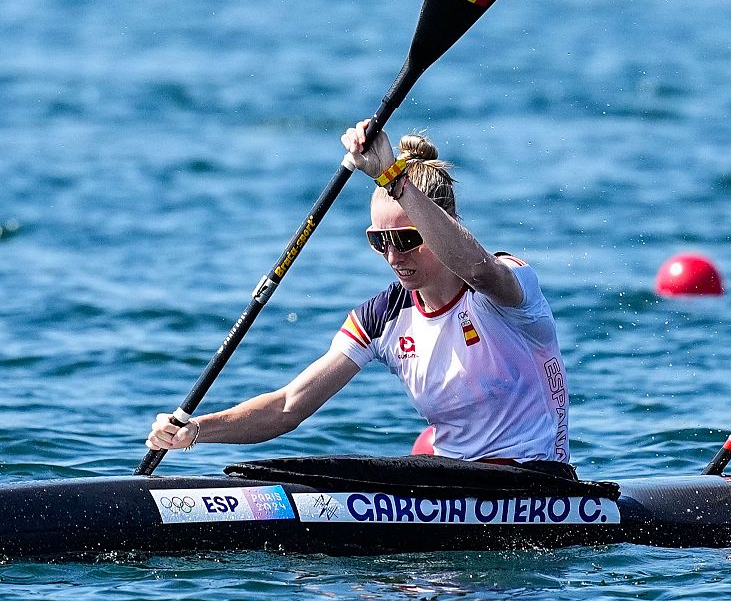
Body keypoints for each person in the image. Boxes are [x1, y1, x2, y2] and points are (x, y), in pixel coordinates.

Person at [148, 120, 575, 476]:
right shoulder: (384, 317)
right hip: (453, 484)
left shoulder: (507, 288)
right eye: (379, 241)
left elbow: (479, 268)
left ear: (446, 224)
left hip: (537, 480)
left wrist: (393, 177)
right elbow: (288, 406)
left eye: (407, 239)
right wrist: (197, 430)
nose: (393, 256)